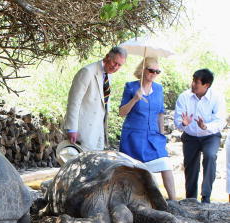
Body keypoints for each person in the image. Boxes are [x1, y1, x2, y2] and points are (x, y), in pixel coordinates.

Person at [119, 57, 176, 200]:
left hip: (153, 136)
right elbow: (121, 113)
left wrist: (162, 134)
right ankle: (132, 200)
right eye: (151, 70)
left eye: (157, 71)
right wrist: (134, 99)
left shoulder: (159, 89)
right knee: (133, 171)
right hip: (133, 136)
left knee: (165, 163)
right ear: (143, 70)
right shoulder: (131, 87)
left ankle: (174, 201)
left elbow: (160, 113)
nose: (154, 74)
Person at [174, 69, 227, 203]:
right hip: (190, 136)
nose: (192, 84)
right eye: (193, 81)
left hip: (210, 136)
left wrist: (206, 126)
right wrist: (183, 124)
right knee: (190, 166)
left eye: (196, 82)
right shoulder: (184, 97)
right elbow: (178, 121)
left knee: (210, 156)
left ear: (206, 85)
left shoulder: (217, 97)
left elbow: (221, 121)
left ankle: (206, 197)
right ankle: (191, 199)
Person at [64, 46, 127, 151]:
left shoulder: (109, 75)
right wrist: (72, 128)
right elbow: (74, 101)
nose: (116, 67)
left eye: (119, 65)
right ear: (107, 57)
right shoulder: (87, 72)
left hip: (98, 132)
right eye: (114, 63)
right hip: (81, 130)